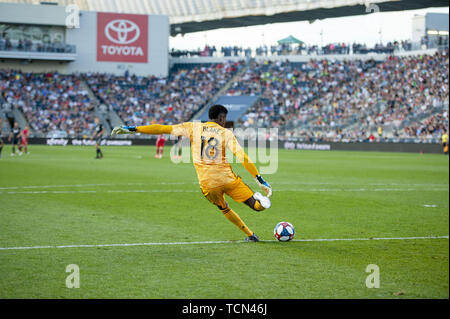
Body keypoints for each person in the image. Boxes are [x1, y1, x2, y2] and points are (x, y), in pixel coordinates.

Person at [111, 104, 272, 242]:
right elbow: (242, 157)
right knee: (256, 207)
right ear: (222, 118)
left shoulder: (193, 127)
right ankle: (261, 203)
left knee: (224, 208)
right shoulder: (226, 133)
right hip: (228, 179)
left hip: (207, 183)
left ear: (210, 117)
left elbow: (162, 128)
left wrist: (133, 128)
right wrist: (259, 178)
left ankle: (250, 235)